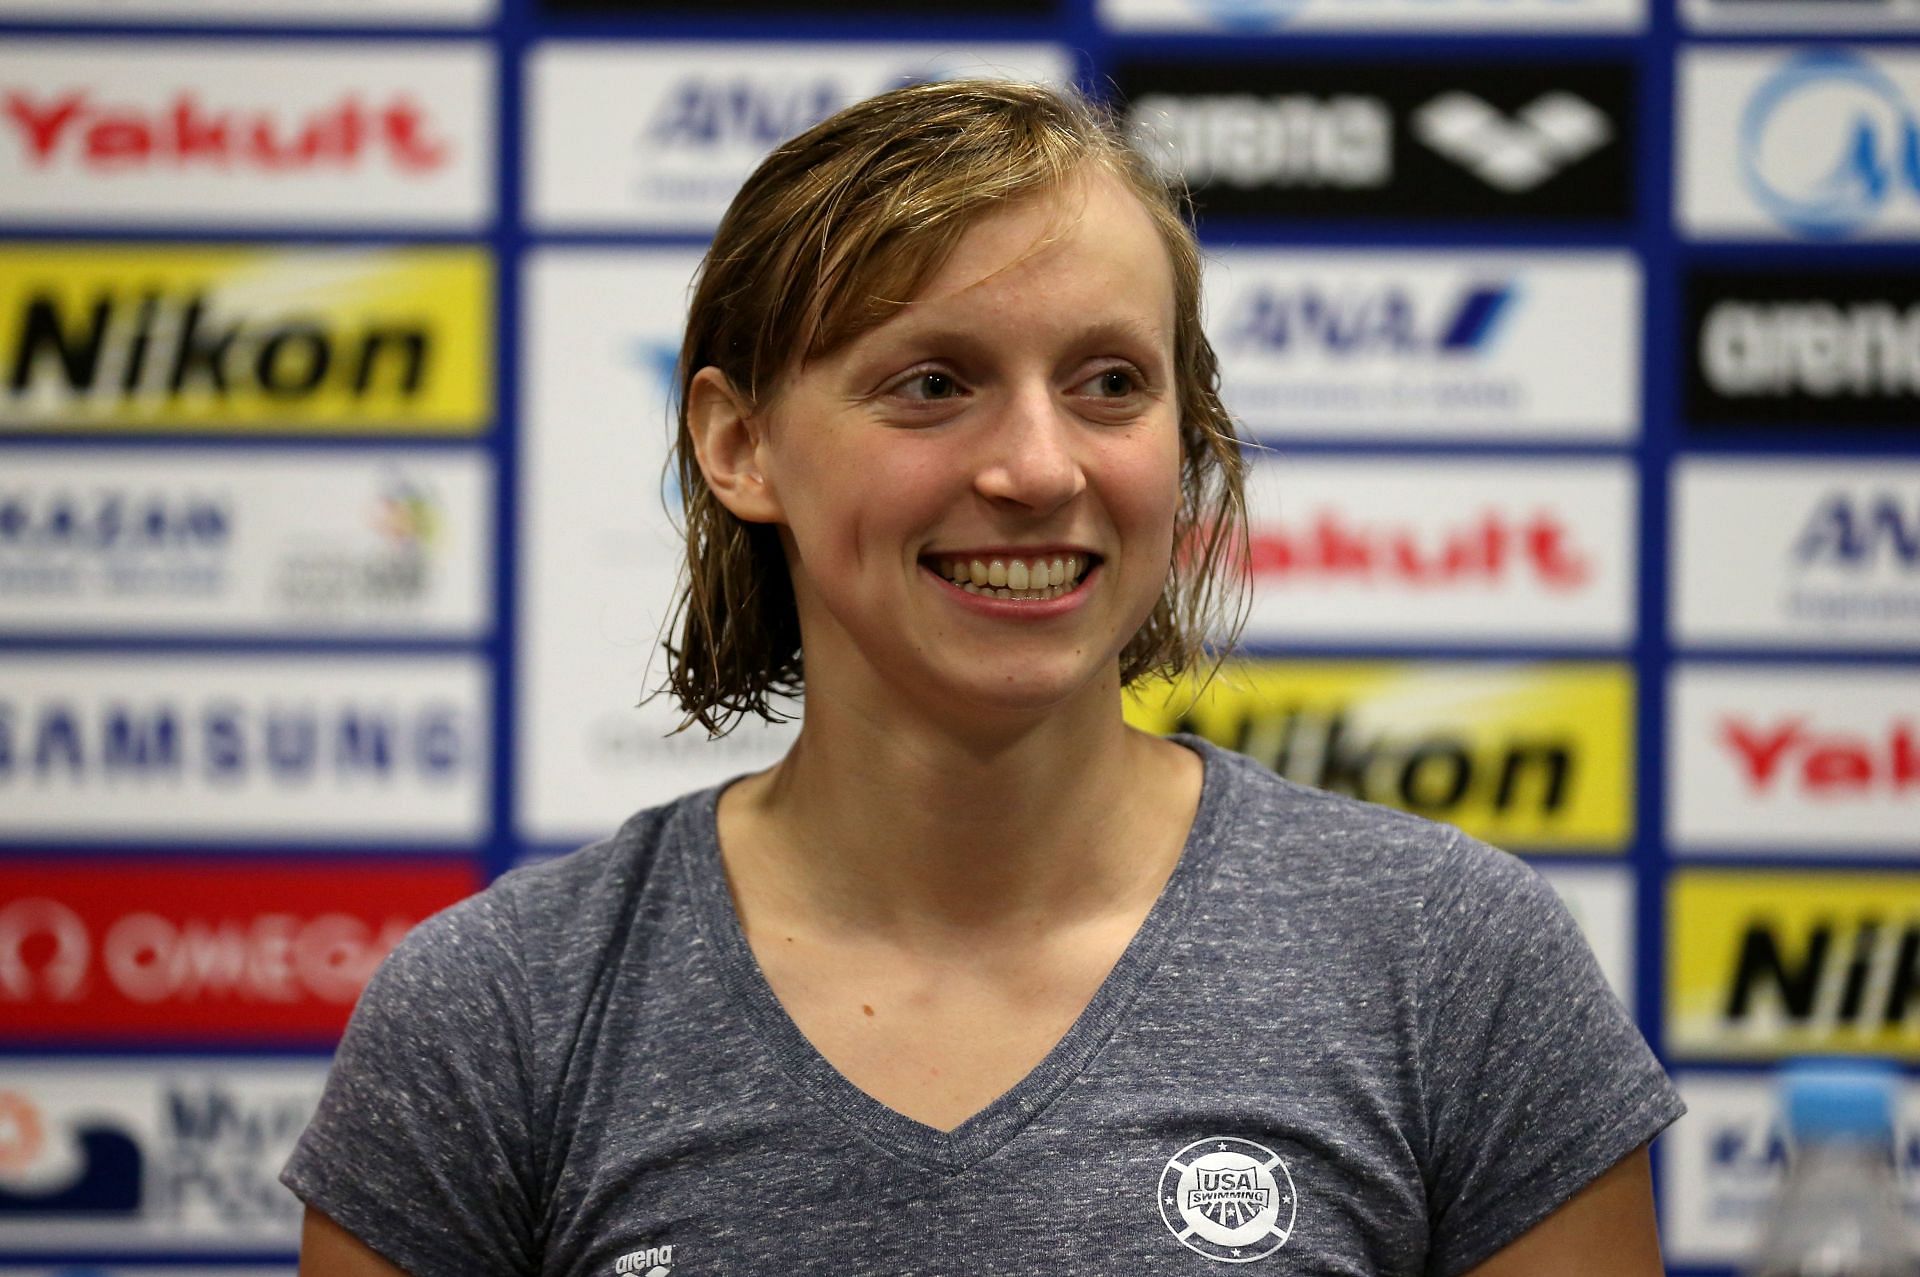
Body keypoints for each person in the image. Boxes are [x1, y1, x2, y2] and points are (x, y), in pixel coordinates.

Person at [284, 79, 1682, 1276]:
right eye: (933, 383)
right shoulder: (497, 1014)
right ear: (737, 443)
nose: (1037, 467)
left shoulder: (1451, 963)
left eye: (1110, 383)